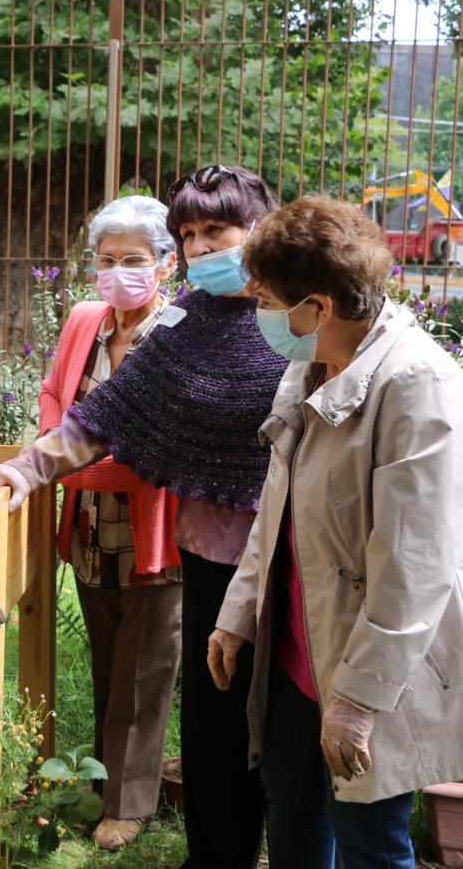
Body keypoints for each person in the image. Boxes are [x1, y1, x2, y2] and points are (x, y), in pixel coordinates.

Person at [0, 165, 289, 869]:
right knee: (213, 720)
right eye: (189, 235)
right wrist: (29, 467)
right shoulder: (186, 320)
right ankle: (214, 855)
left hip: (290, 559)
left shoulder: (299, 316)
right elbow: (103, 413)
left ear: (259, 229)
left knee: (284, 726)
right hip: (211, 557)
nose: (202, 248)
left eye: (217, 231)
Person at [207, 195, 463, 869]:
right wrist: (238, 614)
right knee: (292, 813)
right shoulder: (311, 363)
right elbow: (277, 507)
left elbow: (417, 565)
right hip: (298, 647)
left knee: (370, 844)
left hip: (369, 664)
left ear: (319, 306)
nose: (256, 313)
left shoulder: (416, 384)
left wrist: (359, 700)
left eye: (265, 299)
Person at [37, 196, 182, 850]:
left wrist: (57, 464)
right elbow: (53, 395)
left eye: (134, 259)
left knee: (144, 667)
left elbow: (152, 448)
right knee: (106, 662)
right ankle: (104, 783)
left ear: (166, 264)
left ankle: (131, 801)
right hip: (93, 523)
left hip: (155, 526)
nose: (118, 271)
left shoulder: (181, 334)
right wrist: (51, 443)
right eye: (106, 260)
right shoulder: (84, 320)